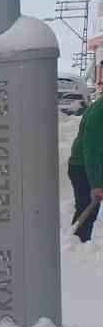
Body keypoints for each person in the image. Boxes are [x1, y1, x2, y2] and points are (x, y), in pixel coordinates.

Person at [68, 94, 103, 242]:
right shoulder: (100, 111)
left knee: (88, 212)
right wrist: (96, 183)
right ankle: (74, 246)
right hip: (83, 167)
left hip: (89, 165)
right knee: (86, 212)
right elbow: (91, 148)